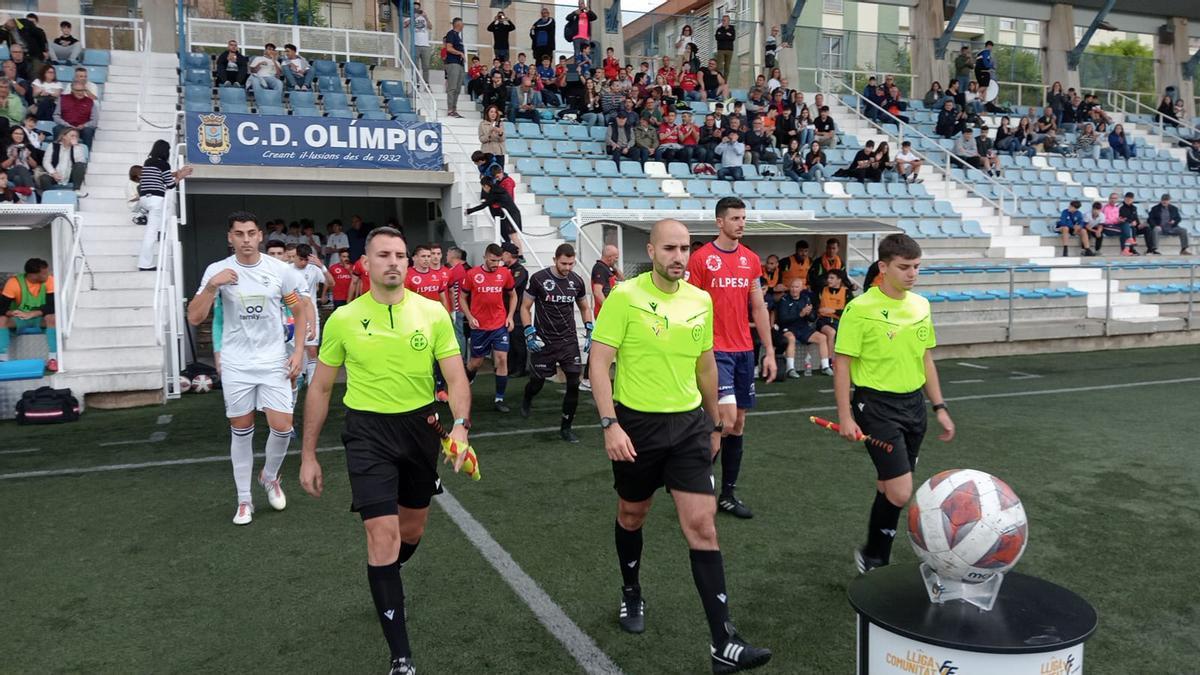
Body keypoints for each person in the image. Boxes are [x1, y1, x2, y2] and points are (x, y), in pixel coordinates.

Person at [590, 218, 772, 672]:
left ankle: (722, 641)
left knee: (703, 527)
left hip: (688, 427)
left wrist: (714, 421)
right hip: (636, 427)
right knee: (632, 514)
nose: (678, 256)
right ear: (650, 250)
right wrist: (610, 424)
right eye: (669, 248)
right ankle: (631, 591)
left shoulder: (700, 299)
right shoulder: (625, 297)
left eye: (685, 248)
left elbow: (705, 364)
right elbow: (599, 363)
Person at [298, 226, 470, 675]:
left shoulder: (432, 313)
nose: (394, 262)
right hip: (367, 432)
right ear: (367, 264)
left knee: (410, 531)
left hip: (419, 430)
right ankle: (401, 659)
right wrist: (308, 455)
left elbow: (455, 378)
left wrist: (462, 429)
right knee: (382, 535)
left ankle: (388, 579)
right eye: (384, 255)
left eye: (400, 254)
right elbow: (319, 389)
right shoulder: (344, 319)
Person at [834, 233, 954, 574]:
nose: (912, 274)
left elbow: (926, 359)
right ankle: (876, 556)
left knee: (889, 486)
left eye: (916, 267)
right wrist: (845, 416)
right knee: (901, 491)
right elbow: (842, 365)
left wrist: (939, 407)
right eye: (904, 267)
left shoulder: (921, 305)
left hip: (914, 407)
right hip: (875, 407)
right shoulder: (859, 309)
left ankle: (874, 556)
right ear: (883, 267)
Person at [186, 212, 311, 526]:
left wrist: (297, 352)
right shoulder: (216, 271)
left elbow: (299, 309)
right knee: (241, 430)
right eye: (238, 234)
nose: (245, 239)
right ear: (230, 237)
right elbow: (194, 317)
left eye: (251, 233)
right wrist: (212, 287)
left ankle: (269, 476)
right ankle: (244, 501)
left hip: (273, 361)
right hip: (237, 364)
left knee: (283, 426)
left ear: (260, 236)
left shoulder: (280, 270)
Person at [686, 197, 777, 520]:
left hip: (743, 351)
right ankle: (697, 488)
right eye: (735, 218)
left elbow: (758, 306)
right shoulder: (700, 259)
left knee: (737, 425)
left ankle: (727, 494)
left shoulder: (750, 260)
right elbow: (688, 304)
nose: (741, 223)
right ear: (719, 222)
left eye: (743, 217)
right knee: (722, 421)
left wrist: (768, 351)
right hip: (713, 351)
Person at [519, 243, 593, 442]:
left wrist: (589, 328)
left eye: (571, 263)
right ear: (555, 260)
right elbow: (525, 307)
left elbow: (585, 307)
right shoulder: (539, 279)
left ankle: (566, 427)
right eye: (564, 263)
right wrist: (528, 332)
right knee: (537, 382)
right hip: (544, 341)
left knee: (573, 382)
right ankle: (527, 397)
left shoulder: (577, 281)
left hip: (568, 340)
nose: (567, 267)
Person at [462, 243, 517, 412]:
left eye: (499, 261)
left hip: (499, 324)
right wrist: (470, 317)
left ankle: (499, 399)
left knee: (501, 358)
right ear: (485, 257)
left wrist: (510, 317)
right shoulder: (472, 274)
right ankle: (465, 383)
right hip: (480, 326)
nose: (496, 264)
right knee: (476, 363)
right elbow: (462, 297)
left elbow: (513, 295)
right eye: (493, 260)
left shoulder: (505, 273)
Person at [136, 140, 193, 271]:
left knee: (157, 221)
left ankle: (161, 231)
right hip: (156, 200)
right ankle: (145, 264)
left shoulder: (148, 163)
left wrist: (176, 173)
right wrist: (181, 176)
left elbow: (161, 176)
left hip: (145, 198)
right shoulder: (164, 164)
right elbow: (171, 185)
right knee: (151, 233)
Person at [0, 258, 58, 371]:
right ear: (33, 275)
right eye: (45, 273)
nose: (48, 274)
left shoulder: (49, 280)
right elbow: (1, 308)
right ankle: (2, 360)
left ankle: (53, 359)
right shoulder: (14, 283)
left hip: (40, 318)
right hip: (20, 318)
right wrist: (11, 312)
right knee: (1, 320)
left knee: (53, 317)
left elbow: (53, 306)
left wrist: (33, 313)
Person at [772, 277, 833, 378]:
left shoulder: (806, 298)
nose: (794, 289)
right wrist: (800, 314)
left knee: (822, 337)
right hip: (788, 328)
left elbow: (812, 319)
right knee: (790, 338)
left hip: (803, 328)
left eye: (797, 287)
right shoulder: (784, 300)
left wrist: (809, 314)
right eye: (792, 287)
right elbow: (783, 319)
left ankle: (825, 367)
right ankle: (790, 368)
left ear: (801, 288)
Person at [500, 243, 530, 379]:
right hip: (504, 309)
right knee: (509, 341)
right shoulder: (504, 269)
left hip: (517, 310)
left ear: (508, 254)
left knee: (518, 340)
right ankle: (510, 367)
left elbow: (511, 286)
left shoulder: (520, 271)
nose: (501, 256)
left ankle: (520, 368)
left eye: (503, 253)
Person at [37, 126, 87, 192]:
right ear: (64, 136)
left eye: (76, 136)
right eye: (72, 136)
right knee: (44, 178)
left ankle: (77, 190)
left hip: (70, 175)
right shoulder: (53, 146)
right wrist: (53, 173)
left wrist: (75, 147)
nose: (74, 138)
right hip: (55, 174)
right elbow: (46, 162)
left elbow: (81, 161)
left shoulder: (78, 148)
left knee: (80, 165)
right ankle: (50, 196)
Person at [443, 18, 466, 118]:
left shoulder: (458, 36)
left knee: (457, 88)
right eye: (462, 23)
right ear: (458, 24)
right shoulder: (451, 34)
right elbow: (448, 48)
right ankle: (450, 110)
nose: (463, 25)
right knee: (452, 87)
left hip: (460, 64)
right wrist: (460, 53)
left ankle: (454, 109)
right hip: (453, 63)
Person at [404, 4, 432, 83]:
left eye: (418, 9)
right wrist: (414, 16)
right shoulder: (409, 17)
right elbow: (405, 25)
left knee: (426, 66)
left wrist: (425, 17)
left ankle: (426, 84)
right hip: (415, 45)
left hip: (425, 45)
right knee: (415, 66)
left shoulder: (424, 18)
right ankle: (417, 83)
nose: (417, 10)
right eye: (415, 9)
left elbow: (430, 27)